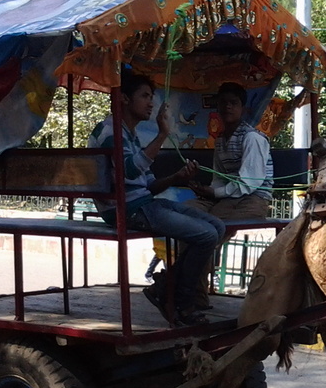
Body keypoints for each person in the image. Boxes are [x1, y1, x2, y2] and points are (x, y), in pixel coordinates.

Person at [88, 73, 224, 329]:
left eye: (151, 97)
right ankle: (181, 302)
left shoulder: (129, 133)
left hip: (143, 203)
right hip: (126, 209)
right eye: (145, 96)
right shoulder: (110, 130)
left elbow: (148, 183)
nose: (151, 103)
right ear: (125, 99)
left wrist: (176, 177)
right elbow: (128, 171)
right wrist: (162, 135)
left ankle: (164, 286)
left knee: (217, 228)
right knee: (205, 236)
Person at [188, 82, 274, 219]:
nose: (228, 107)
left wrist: (216, 193)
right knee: (185, 212)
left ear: (243, 109)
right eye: (223, 103)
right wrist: (211, 191)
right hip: (227, 196)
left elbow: (249, 182)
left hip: (253, 197)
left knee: (213, 223)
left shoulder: (252, 138)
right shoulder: (220, 140)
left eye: (233, 103)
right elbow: (219, 176)